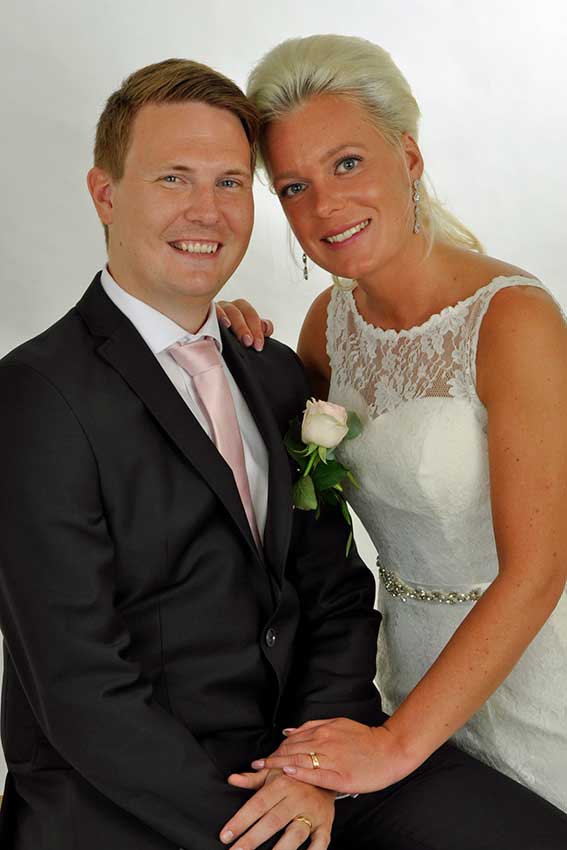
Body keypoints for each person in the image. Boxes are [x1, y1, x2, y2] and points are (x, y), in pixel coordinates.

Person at [1, 56, 566, 850]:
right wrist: (267, 820)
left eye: (230, 182)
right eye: (173, 178)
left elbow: (332, 588)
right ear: (105, 194)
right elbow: (77, 687)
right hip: (138, 798)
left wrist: (311, 768)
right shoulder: (35, 393)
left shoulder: (269, 370)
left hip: (321, 747)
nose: (206, 210)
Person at [218, 34, 567, 813]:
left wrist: (394, 746)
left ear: (408, 155)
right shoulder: (326, 325)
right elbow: (295, 511)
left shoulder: (513, 320)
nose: (325, 207)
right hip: (403, 675)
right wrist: (228, 348)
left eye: (347, 163)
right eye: (294, 186)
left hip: (541, 681)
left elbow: (540, 570)